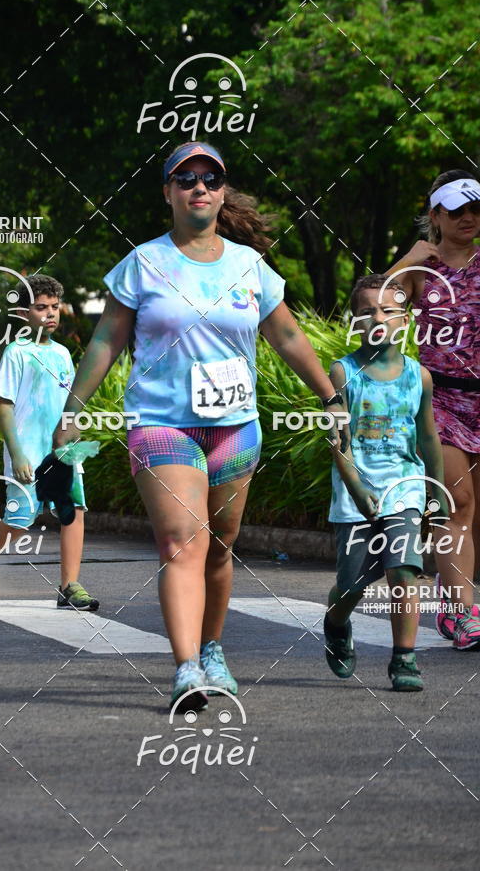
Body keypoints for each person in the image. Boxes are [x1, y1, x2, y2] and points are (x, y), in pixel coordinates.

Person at [52, 141, 344, 711]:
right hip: (162, 425)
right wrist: (73, 408)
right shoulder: (143, 263)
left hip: (235, 428)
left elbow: (285, 336)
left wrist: (331, 396)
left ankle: (213, 648)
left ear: (222, 191)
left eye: (210, 178)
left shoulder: (248, 266)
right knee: (182, 541)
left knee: (220, 548)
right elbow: (107, 341)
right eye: (185, 178)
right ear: (168, 192)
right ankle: (187, 668)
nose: (199, 186)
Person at [387, 171, 480, 650]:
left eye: (475, 209)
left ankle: (452, 588)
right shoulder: (420, 270)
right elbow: (376, 314)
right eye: (456, 211)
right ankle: (461, 613)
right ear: (434, 214)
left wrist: (477, 224)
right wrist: (409, 257)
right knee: (458, 506)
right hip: (441, 401)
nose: (469, 218)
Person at [324, 274, 448, 691]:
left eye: (390, 310)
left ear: (406, 319)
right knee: (352, 584)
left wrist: (436, 491)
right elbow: (338, 442)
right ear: (355, 320)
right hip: (354, 492)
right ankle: (337, 621)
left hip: (404, 487)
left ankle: (404, 659)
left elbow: (428, 437)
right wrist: (357, 488)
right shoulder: (342, 372)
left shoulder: (419, 376)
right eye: (367, 311)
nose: (378, 317)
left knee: (404, 572)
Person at [0, 274, 99, 611]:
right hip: (27, 452)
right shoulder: (17, 352)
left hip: (62, 453)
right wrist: (18, 454)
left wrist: (72, 428)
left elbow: (69, 402)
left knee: (74, 512)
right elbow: (4, 406)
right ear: (25, 314)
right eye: (41, 307)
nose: (49, 314)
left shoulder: (63, 354)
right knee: (20, 521)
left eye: (54, 307)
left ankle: (70, 586)